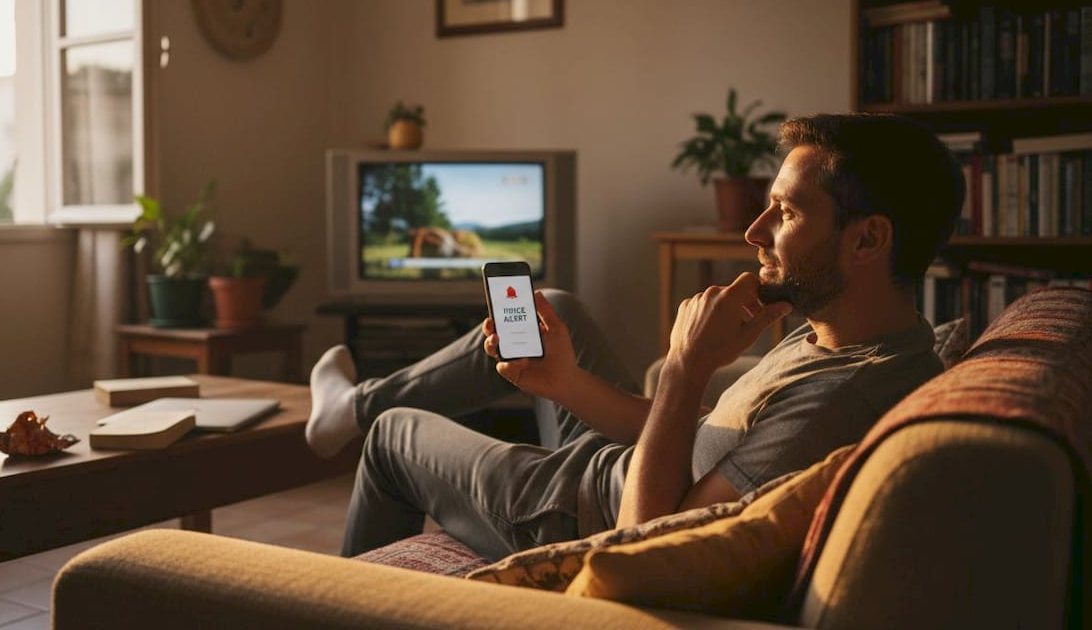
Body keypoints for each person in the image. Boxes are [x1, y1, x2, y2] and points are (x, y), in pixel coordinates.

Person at [307, 112, 966, 562]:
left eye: (787, 212)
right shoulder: (845, 334)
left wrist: (686, 366)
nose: (754, 231)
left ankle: (359, 422)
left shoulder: (840, 401)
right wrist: (564, 384)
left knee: (395, 436)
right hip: (621, 466)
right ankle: (349, 407)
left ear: (867, 239)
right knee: (551, 310)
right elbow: (708, 441)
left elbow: (646, 543)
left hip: (577, 511)